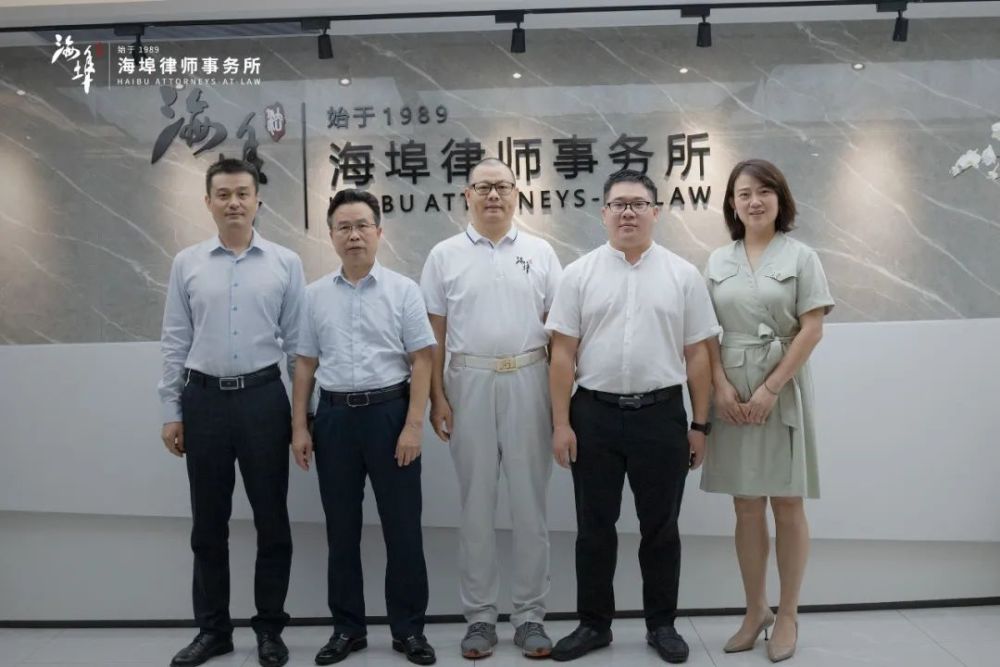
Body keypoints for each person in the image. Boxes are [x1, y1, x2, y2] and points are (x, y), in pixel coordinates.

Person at [545, 169, 720, 664]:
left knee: (660, 528)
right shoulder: (578, 274)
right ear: (603, 213)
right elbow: (562, 355)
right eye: (618, 204)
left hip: (661, 417)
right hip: (593, 416)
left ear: (655, 212)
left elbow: (698, 356)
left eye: (638, 204)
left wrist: (700, 424)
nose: (628, 212)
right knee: (593, 528)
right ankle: (593, 625)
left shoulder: (683, 275)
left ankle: (662, 625)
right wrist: (561, 423)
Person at [158, 157, 305, 667]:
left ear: (257, 199)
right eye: (223, 194)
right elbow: (175, 340)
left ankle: (270, 630)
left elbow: (298, 349)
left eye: (243, 193)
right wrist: (171, 409)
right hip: (203, 402)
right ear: (208, 202)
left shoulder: (285, 262)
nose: (234, 202)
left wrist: (302, 418)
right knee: (208, 524)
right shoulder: (187, 263)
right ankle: (213, 630)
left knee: (272, 521)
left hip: (264, 400)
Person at [419, 158, 562, 659]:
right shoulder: (444, 255)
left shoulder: (541, 252)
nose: (493, 195)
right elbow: (433, 335)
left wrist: (559, 406)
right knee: (476, 506)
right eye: (484, 187)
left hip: (529, 377)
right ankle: (479, 618)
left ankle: (530, 617)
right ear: (467, 195)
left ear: (517, 193)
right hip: (469, 381)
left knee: (530, 505)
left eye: (502, 186)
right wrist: (438, 396)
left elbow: (559, 332)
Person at [290, 189, 437, 666]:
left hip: (390, 416)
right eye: (344, 227)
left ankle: (409, 631)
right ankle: (347, 630)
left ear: (378, 232)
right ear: (331, 235)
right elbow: (305, 364)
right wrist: (300, 427)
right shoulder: (314, 295)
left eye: (362, 226)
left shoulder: (403, 290)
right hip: (334, 420)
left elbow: (422, 360)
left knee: (403, 530)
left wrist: (413, 426)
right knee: (341, 531)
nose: (353, 235)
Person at [700, 159, 834, 663]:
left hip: (783, 388)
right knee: (746, 504)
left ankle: (789, 614)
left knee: (788, 502)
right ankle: (756, 610)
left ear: (780, 198)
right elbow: (704, 333)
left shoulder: (802, 257)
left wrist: (772, 388)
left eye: (763, 192)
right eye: (743, 194)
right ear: (732, 204)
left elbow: (812, 328)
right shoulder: (717, 261)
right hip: (731, 392)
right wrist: (720, 387)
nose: (754, 201)